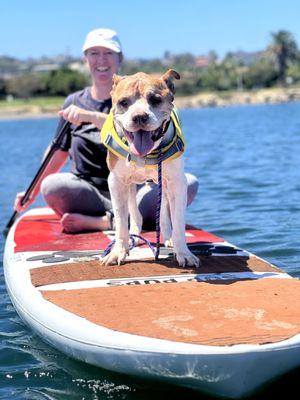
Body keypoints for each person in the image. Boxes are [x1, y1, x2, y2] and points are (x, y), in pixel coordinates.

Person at [15, 28, 199, 233]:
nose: (101, 59)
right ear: (85, 59)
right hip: (89, 191)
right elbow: (58, 151)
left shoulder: (141, 105)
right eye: (94, 53)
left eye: (108, 53)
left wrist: (91, 117)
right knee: (51, 186)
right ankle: (117, 220)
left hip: (138, 189)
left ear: (120, 58)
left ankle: (103, 222)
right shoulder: (74, 101)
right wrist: (31, 192)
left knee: (188, 183)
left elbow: (132, 122)